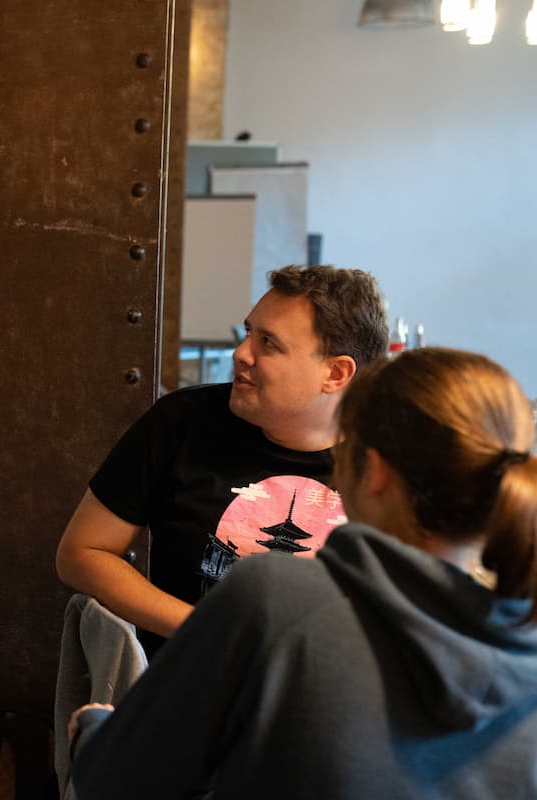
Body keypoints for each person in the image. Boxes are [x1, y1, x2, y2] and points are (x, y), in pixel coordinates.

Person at [70, 347, 537, 798]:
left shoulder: (276, 597)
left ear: (372, 471)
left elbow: (117, 780)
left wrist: (92, 730)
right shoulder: (525, 661)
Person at [56, 265, 389, 657]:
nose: (240, 353)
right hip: (186, 688)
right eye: (249, 332)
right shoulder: (182, 422)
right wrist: (202, 629)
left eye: (269, 343)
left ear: (335, 373)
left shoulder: (388, 461)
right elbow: (81, 554)